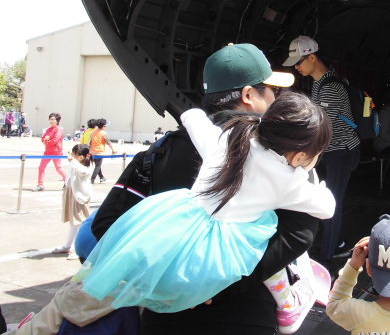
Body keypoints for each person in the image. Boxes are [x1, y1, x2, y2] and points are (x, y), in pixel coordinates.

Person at [11, 92, 336, 335]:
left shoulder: (230, 140)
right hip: (227, 261)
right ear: (299, 155)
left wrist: (191, 113)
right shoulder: (286, 179)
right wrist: (313, 183)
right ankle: (288, 303)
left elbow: (196, 124)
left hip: (175, 222)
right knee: (260, 229)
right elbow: (325, 208)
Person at [283, 35, 360, 268]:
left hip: (342, 151)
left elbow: (320, 126)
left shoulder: (331, 88)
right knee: (326, 196)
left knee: (333, 200)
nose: (296, 67)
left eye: (299, 62)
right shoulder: (318, 84)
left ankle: (327, 256)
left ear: (312, 57)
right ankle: (332, 242)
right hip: (331, 150)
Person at [51, 144, 93, 261]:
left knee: (79, 222)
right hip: (71, 193)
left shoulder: (87, 166)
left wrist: (73, 161)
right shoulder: (76, 163)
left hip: (80, 196)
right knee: (73, 222)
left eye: (74, 154)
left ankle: (78, 250)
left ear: (81, 157)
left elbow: (83, 171)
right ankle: (68, 246)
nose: (72, 156)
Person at [35, 113, 67, 191]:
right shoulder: (48, 129)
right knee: (41, 167)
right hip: (47, 152)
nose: (51, 121)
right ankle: (40, 185)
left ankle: (68, 182)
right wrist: (44, 140)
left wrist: (47, 141)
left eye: (53, 119)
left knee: (58, 168)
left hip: (56, 152)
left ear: (57, 120)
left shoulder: (58, 129)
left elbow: (55, 140)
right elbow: (43, 138)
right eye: (50, 119)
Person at [89, 118, 115, 183]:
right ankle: (92, 179)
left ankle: (101, 177)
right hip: (99, 152)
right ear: (103, 126)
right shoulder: (103, 133)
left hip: (92, 151)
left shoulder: (93, 132)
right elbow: (108, 142)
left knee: (97, 165)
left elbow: (90, 142)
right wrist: (113, 149)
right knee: (98, 166)